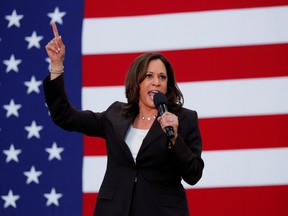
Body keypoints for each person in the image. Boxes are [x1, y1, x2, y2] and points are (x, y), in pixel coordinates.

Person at [44, 22, 204, 216]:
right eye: (149, 76)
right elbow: (65, 116)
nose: (156, 82)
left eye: (162, 77)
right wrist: (56, 66)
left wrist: (174, 139)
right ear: (136, 81)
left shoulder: (184, 119)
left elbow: (194, 174)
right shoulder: (116, 114)